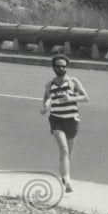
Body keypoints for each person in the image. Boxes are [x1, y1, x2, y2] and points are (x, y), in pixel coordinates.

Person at [40, 54, 89, 193]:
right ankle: (68, 181)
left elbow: (86, 97)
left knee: (68, 152)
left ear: (67, 67)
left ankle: (63, 171)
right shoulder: (50, 84)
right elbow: (46, 98)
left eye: (64, 66)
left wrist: (71, 97)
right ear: (53, 67)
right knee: (64, 149)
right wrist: (45, 107)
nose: (61, 68)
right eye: (58, 66)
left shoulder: (73, 81)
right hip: (56, 120)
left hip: (72, 120)